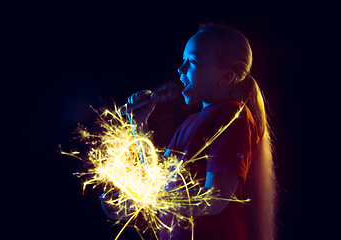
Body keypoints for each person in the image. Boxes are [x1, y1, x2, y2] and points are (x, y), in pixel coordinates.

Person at [102, 23, 277, 240]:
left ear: (226, 77)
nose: (181, 69)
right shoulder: (191, 122)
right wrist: (138, 122)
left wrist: (145, 199)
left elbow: (215, 199)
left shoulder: (234, 117)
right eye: (183, 60)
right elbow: (161, 179)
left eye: (192, 62)